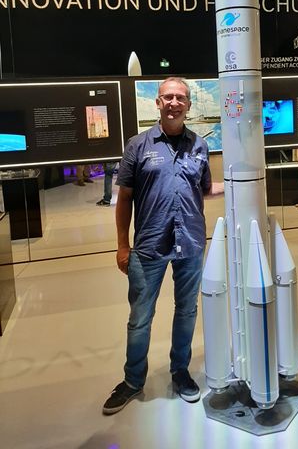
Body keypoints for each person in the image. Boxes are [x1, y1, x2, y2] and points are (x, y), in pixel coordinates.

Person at [103, 77, 224, 415]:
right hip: (148, 246)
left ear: (188, 105)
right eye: (168, 97)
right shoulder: (138, 146)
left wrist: (241, 183)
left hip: (191, 243)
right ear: (158, 103)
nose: (174, 103)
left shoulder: (199, 146)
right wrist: (122, 246)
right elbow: (124, 198)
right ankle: (132, 381)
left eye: (180, 98)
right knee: (140, 317)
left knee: (186, 311)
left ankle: (180, 371)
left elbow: (204, 189)